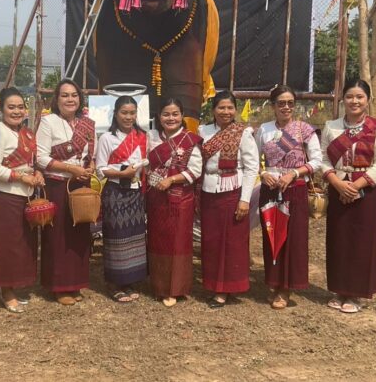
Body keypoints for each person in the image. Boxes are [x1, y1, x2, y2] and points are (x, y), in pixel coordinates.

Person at [321, 79, 376, 314]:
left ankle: (355, 293)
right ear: (343, 99)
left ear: (368, 100)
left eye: (360, 97)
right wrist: (337, 183)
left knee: (362, 242)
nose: (354, 101)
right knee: (339, 239)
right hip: (338, 186)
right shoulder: (331, 127)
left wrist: (355, 186)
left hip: (366, 191)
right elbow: (323, 158)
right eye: (350, 96)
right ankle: (339, 289)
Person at [255, 85, 322, 309]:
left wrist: (293, 173)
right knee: (272, 236)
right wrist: (263, 173)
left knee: (292, 238)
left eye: (290, 103)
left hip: (295, 188)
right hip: (270, 189)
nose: (286, 107)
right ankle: (274, 282)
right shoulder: (263, 130)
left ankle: (286, 288)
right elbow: (253, 159)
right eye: (281, 103)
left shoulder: (304, 130)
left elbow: (317, 161)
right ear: (273, 106)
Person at [35, 79, 97, 306]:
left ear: (80, 98)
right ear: (57, 99)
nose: (70, 99)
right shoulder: (48, 122)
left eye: (74, 95)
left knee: (79, 235)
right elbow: (40, 158)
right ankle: (59, 286)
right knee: (58, 236)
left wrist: (90, 166)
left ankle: (76, 282)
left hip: (81, 184)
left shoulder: (88, 124)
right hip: (57, 185)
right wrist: (70, 169)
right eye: (65, 95)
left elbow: (91, 155)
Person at [0, 87, 44, 313]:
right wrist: (21, 177)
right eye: (11, 107)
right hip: (6, 194)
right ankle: (6, 290)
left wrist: (37, 173)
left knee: (24, 242)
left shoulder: (27, 132)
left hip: (27, 193)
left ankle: (18, 283)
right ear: (2, 109)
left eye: (20, 107)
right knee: (8, 244)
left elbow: (32, 162)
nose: (17, 111)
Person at [199, 91, 259, 308]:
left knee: (232, 242)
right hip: (208, 191)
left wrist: (245, 200)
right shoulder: (203, 131)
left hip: (233, 191)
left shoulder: (243, 133)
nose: (226, 112)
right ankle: (213, 284)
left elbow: (252, 167)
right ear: (213, 109)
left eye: (230, 108)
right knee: (211, 241)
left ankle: (227, 289)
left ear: (235, 110)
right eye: (221, 107)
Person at [146, 98, 202, 307]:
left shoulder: (190, 139)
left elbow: (195, 171)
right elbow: (145, 164)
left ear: (182, 116)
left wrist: (171, 179)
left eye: (175, 114)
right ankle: (159, 286)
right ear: (159, 117)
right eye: (166, 114)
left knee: (178, 242)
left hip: (181, 199)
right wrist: (153, 178)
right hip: (156, 197)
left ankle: (176, 288)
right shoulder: (151, 137)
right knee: (157, 239)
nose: (171, 118)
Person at [96, 95, 148, 303]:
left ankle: (129, 281)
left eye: (132, 113)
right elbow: (100, 169)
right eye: (124, 113)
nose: (128, 117)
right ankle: (114, 283)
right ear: (115, 114)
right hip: (115, 193)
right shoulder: (107, 138)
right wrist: (121, 174)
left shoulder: (143, 136)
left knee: (134, 236)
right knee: (116, 237)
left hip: (135, 192)